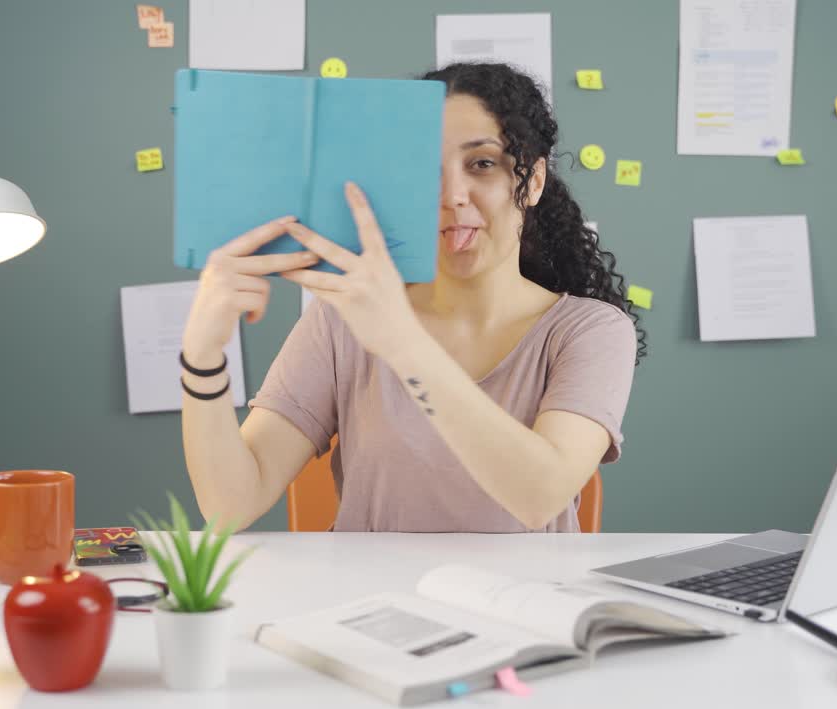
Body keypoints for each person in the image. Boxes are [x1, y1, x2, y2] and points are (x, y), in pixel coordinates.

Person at [180, 63, 645, 533]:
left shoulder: (591, 330)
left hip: (520, 603)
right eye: (424, 169)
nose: (452, 195)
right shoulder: (343, 321)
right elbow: (230, 504)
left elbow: (540, 495)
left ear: (534, 181)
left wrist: (401, 341)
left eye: (481, 164)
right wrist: (201, 354)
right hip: (373, 602)